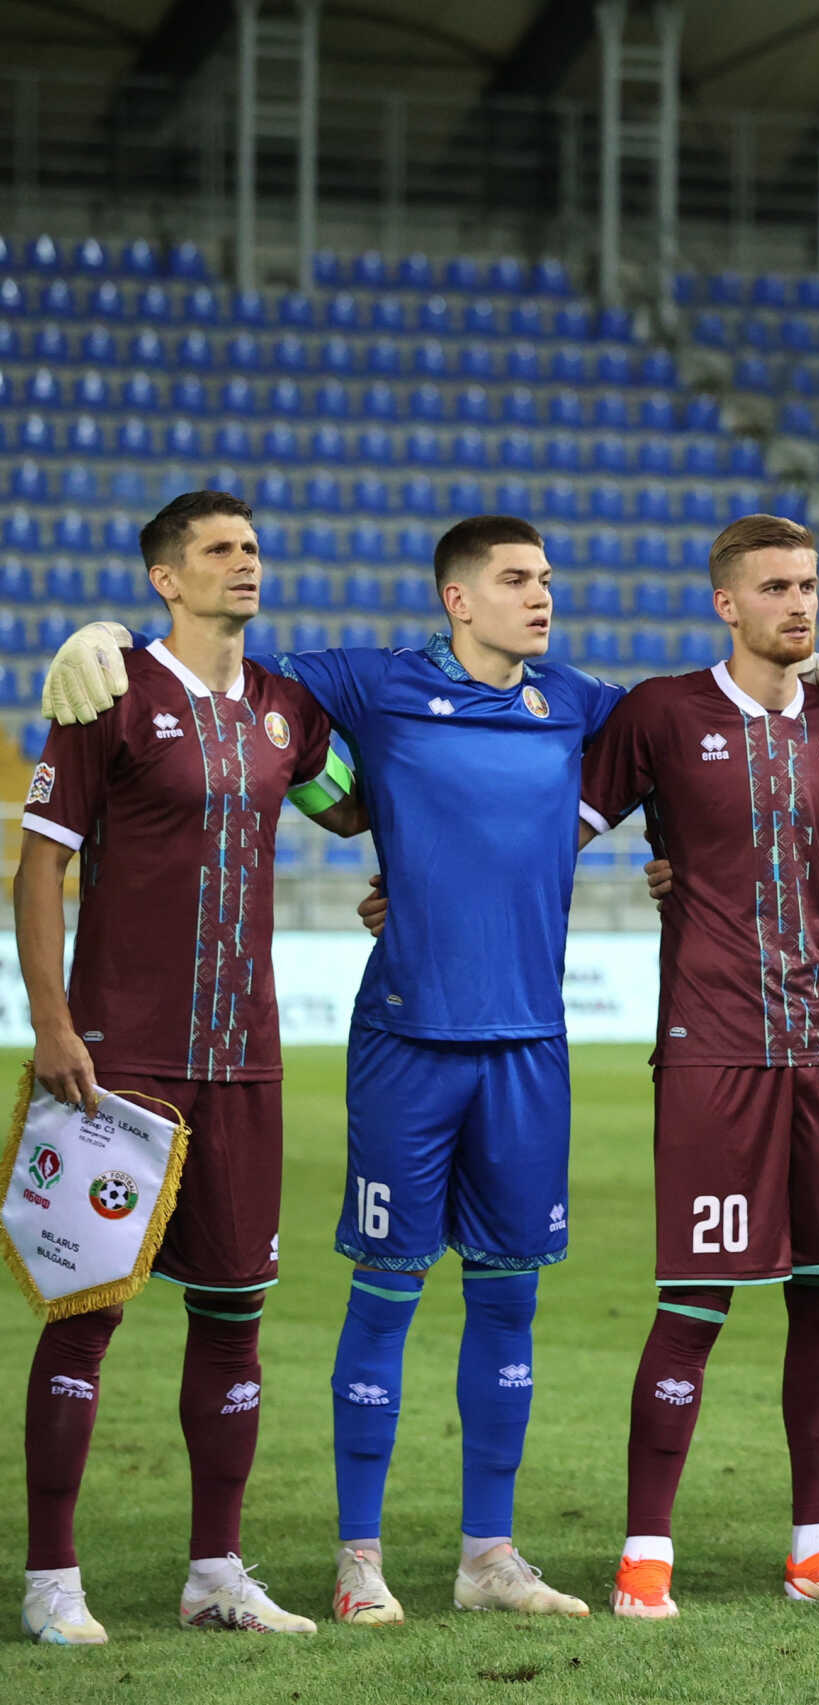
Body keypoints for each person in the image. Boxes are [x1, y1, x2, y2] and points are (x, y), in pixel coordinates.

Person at [44, 513, 819, 1622]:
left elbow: (702, 739)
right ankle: (359, 1562)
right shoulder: (367, 682)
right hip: (405, 1039)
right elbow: (225, 674)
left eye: (547, 576)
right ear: (458, 599)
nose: (543, 595)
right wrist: (102, 633)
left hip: (530, 1047)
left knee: (509, 1302)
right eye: (517, 579)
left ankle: (489, 1555)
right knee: (382, 1297)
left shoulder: (586, 703)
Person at [15, 492, 362, 1644]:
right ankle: (52, 1579)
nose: (245, 563)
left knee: (233, 1315)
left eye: (255, 545)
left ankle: (217, 1570)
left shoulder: (282, 713)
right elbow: (42, 864)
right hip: (117, 1059)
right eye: (219, 550)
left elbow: (349, 807)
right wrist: (54, 1020)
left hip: (246, 1060)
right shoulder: (107, 693)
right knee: (83, 1314)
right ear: (167, 577)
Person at [578, 515, 819, 1617]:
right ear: (727, 604)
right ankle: (645, 1555)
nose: (799, 604)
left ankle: (817, 1548)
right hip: (716, 1049)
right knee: (698, 1296)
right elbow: (553, 833)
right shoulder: (662, 713)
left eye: (810, 584)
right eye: (776, 587)